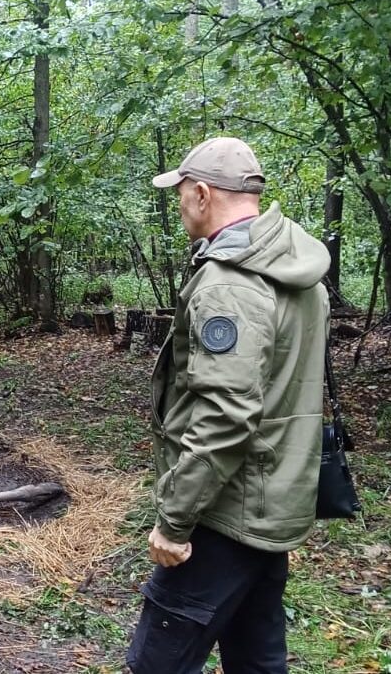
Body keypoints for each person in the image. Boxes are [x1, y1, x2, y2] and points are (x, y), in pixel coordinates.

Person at [127, 137, 330, 674]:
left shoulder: (229, 286)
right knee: (257, 661)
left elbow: (225, 415)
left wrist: (175, 521)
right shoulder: (295, 267)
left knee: (157, 665)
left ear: (200, 194)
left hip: (225, 513)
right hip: (274, 502)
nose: (180, 206)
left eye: (180, 195)